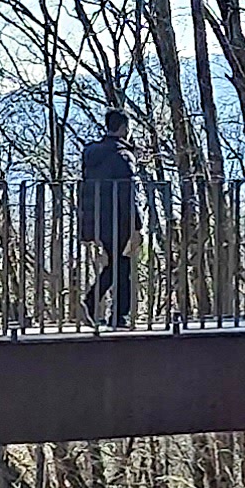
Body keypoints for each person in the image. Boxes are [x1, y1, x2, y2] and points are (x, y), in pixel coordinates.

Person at [78, 109, 142, 329]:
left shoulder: (92, 155)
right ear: (124, 128)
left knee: (118, 264)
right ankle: (101, 306)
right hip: (119, 218)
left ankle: (113, 312)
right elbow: (129, 192)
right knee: (121, 264)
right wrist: (137, 225)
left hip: (98, 218)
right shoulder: (123, 156)